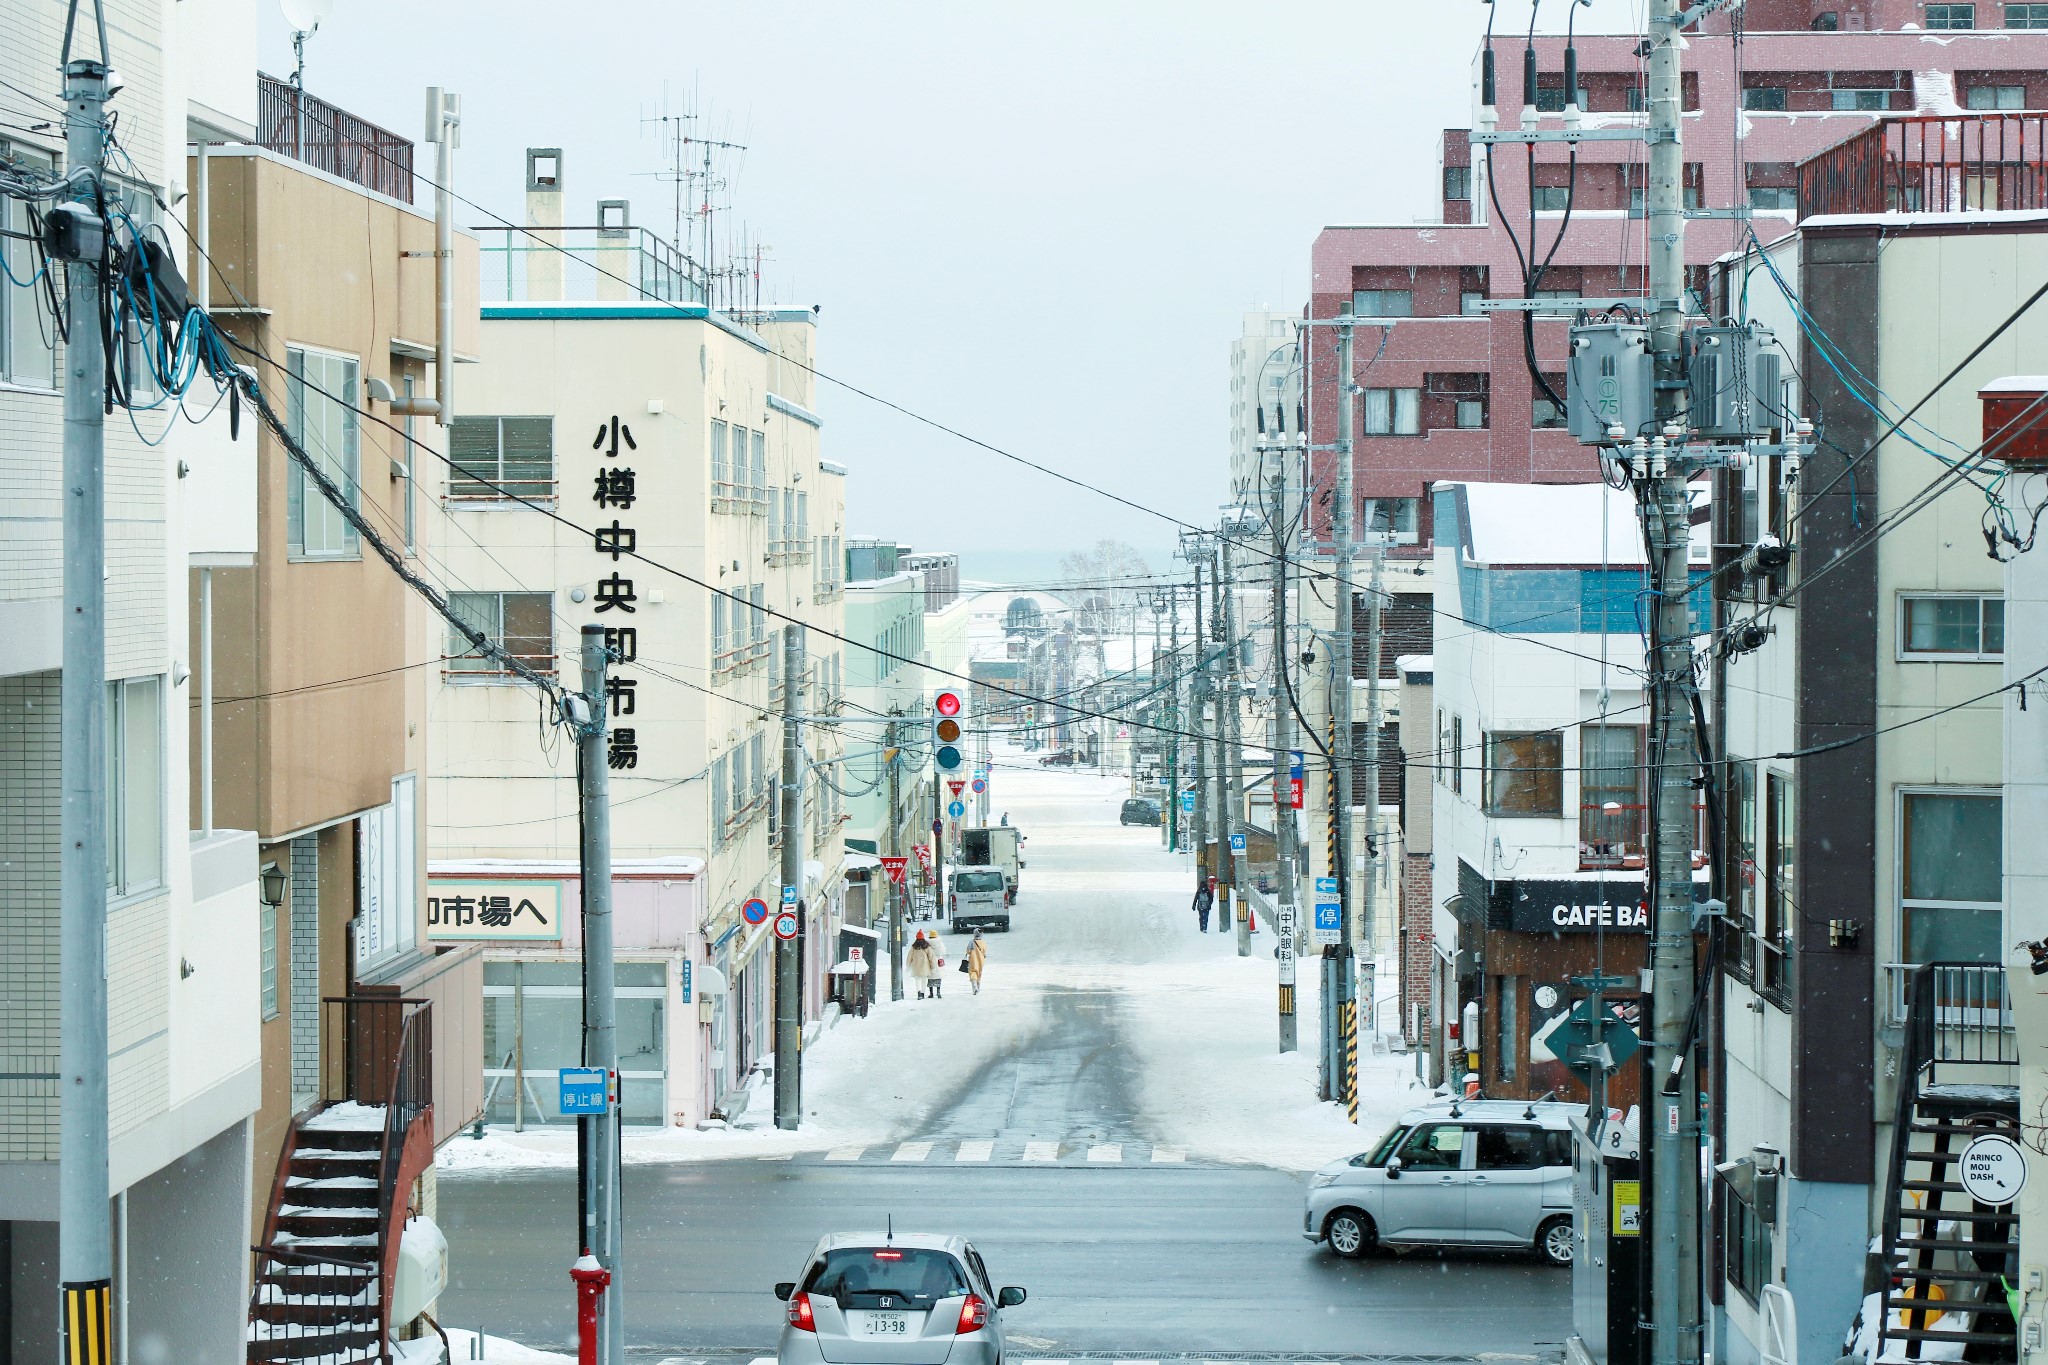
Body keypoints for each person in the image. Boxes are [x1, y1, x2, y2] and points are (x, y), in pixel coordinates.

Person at [907, 931, 937, 1000]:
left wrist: (908, 966)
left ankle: (919, 993)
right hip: (925, 967)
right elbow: (931, 958)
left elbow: (909, 958)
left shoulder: (913, 948)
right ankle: (923, 993)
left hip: (916, 968)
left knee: (917, 981)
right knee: (924, 981)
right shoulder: (927, 947)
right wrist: (933, 967)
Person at [924, 929, 948, 998]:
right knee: (938, 977)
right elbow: (944, 951)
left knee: (930, 977)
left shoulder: (927, 943)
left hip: (930, 961)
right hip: (938, 961)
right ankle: (938, 992)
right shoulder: (940, 942)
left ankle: (931, 993)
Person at [965, 931, 988, 995]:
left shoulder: (971, 942)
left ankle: (974, 986)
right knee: (979, 972)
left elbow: (968, 951)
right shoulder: (983, 942)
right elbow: (985, 950)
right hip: (981, 959)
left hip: (973, 959)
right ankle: (978, 986)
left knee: (973, 972)